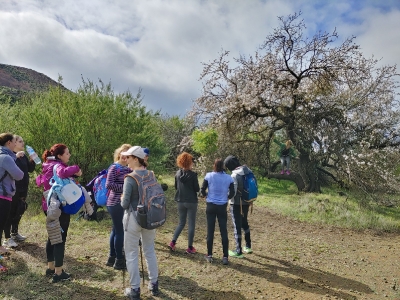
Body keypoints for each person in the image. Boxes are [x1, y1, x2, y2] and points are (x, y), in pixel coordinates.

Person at [39, 143, 95, 283]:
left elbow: (42, 181)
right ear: (59, 155)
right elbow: (62, 173)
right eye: (67, 153)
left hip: (48, 205)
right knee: (60, 238)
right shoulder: (58, 166)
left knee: (52, 235)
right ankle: (58, 273)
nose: (69, 155)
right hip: (60, 207)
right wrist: (77, 169)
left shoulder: (47, 165)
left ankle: (51, 267)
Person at [121, 146, 159, 300]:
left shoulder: (130, 178)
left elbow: (124, 204)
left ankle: (135, 289)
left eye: (128, 157)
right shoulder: (151, 174)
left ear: (136, 159)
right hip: (150, 217)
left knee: (131, 253)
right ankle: (154, 283)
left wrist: (122, 196)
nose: (126, 160)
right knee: (149, 249)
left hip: (133, 218)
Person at [3, 135, 35, 248]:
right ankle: (7, 238)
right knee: (10, 212)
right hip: (13, 188)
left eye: (23, 141)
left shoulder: (23, 156)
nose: (23, 143)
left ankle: (15, 232)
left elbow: (30, 169)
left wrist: (32, 159)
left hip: (23, 188)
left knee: (20, 209)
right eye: (20, 141)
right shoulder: (10, 156)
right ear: (13, 143)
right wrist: (15, 157)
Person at [200, 158, 234, 265]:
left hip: (210, 205)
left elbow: (202, 189)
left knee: (210, 231)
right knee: (223, 231)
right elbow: (233, 192)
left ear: (214, 165)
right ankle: (225, 257)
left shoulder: (209, 175)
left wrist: (206, 196)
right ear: (223, 166)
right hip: (222, 206)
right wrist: (226, 197)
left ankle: (209, 255)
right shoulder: (229, 178)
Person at [105, 143, 132, 270]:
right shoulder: (114, 168)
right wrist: (125, 189)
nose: (125, 156)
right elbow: (108, 184)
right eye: (123, 152)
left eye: (128, 154)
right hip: (115, 203)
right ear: (119, 154)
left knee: (115, 230)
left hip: (122, 203)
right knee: (120, 231)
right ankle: (119, 261)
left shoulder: (129, 169)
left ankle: (112, 258)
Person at [168, 152, 200, 254]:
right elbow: (197, 189)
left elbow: (176, 187)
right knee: (191, 224)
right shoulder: (193, 175)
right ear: (189, 162)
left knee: (181, 223)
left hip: (180, 201)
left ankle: (173, 242)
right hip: (191, 202)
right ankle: (190, 247)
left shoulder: (177, 174)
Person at [224, 155, 253, 259]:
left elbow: (233, 192)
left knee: (237, 226)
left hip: (236, 204)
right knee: (245, 223)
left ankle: (238, 250)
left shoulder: (234, 175)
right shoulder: (248, 171)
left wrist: (226, 197)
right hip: (247, 202)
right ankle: (248, 246)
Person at [0, 133, 24, 258]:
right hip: (3, 195)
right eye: (14, 141)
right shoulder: (6, 158)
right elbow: (19, 175)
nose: (16, 144)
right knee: (2, 222)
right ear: (8, 143)